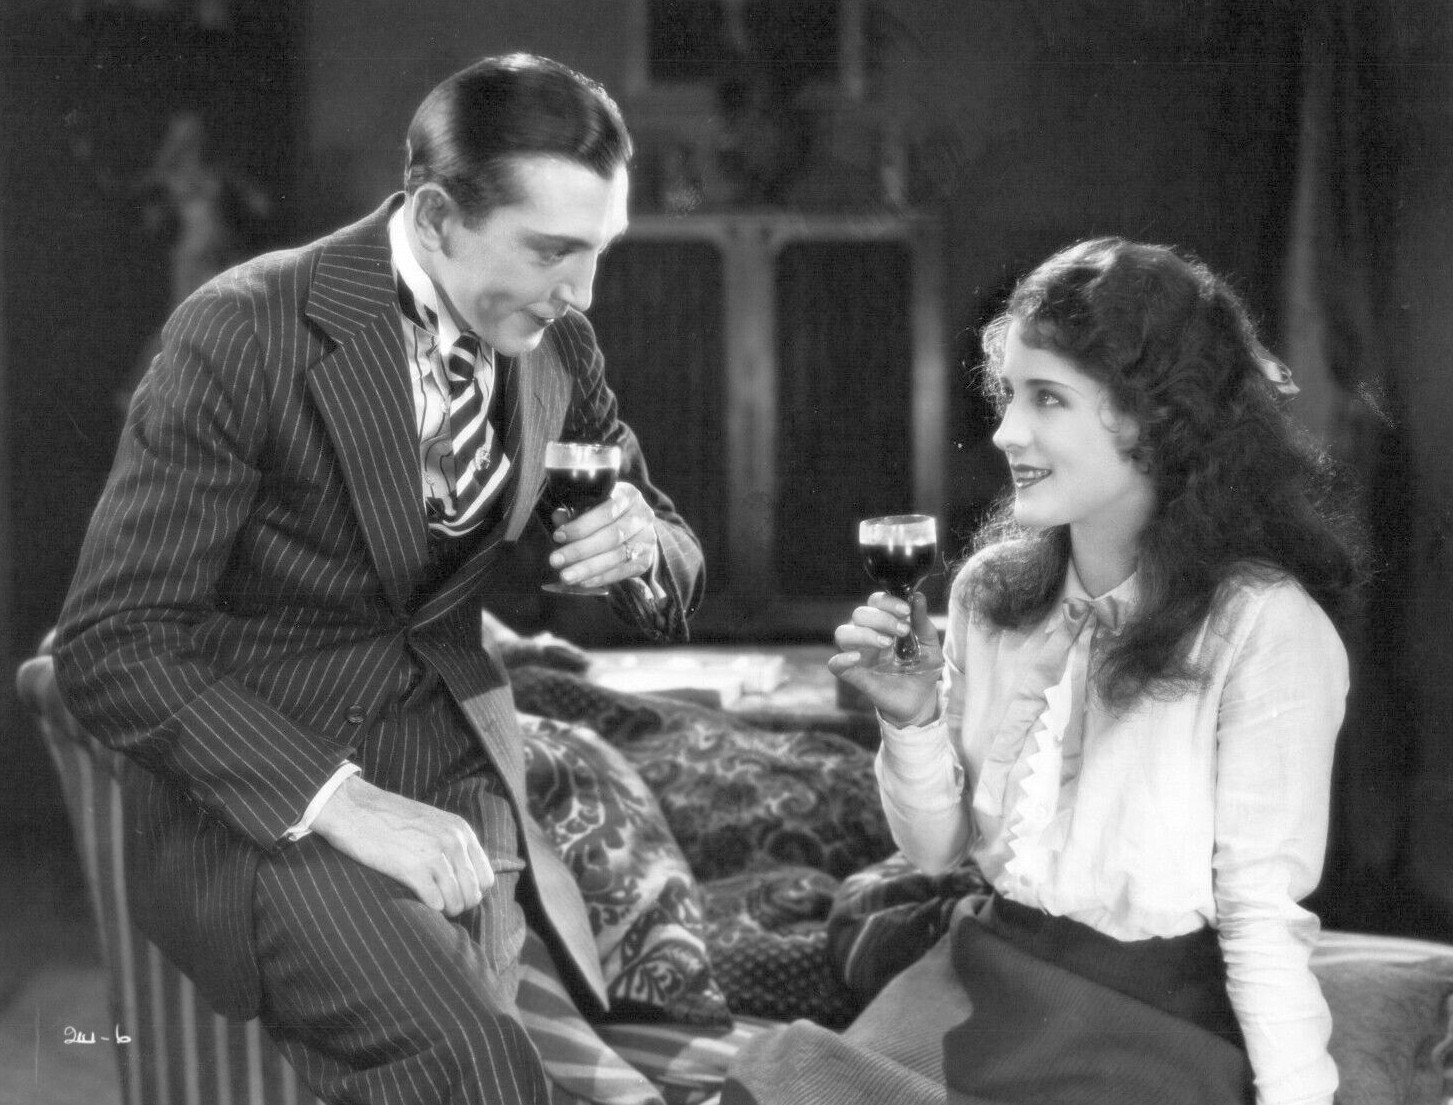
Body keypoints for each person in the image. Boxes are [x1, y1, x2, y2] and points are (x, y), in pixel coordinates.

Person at [53, 53, 704, 1105]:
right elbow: (109, 644)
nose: (582, 293)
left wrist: (645, 545)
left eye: (598, 252)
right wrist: (341, 799)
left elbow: (666, 540)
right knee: (477, 1068)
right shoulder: (245, 326)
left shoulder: (558, 347)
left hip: (458, 776)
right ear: (438, 217)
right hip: (270, 806)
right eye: (551, 251)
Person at [724, 238, 1364, 1105]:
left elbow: (1260, 913)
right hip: (984, 968)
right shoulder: (990, 592)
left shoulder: (1262, 627)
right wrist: (910, 719)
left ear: (1153, 418)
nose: (1004, 432)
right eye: (1009, 394)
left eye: (1047, 398)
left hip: (1152, 1019)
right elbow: (935, 850)